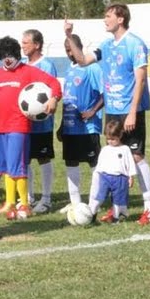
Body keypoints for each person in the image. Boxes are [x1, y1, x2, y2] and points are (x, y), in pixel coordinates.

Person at [64, 3, 150, 225]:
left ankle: (149, 208)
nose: (105, 20)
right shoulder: (106, 45)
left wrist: (133, 111)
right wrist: (68, 36)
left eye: (108, 16)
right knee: (115, 157)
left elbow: (140, 79)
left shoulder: (135, 44)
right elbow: (83, 60)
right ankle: (120, 210)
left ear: (121, 18)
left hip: (129, 109)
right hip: (112, 109)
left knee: (136, 157)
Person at [0, 36, 62, 220]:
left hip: (19, 127)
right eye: (3, 56)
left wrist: (54, 98)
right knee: (7, 167)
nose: (7, 59)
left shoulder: (28, 72)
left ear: (17, 54)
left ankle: (24, 204)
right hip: (1, 129)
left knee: (18, 167)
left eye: (10, 55)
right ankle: (10, 202)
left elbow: (54, 83)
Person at [58, 34, 103, 211]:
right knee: (71, 162)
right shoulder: (69, 70)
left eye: (72, 49)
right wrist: (62, 125)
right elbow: (68, 100)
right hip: (70, 128)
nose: (70, 53)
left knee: (94, 163)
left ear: (80, 47)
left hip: (88, 127)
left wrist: (93, 111)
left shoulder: (93, 68)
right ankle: (75, 202)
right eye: (67, 50)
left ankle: (95, 202)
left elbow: (105, 93)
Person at [21, 29, 58, 213]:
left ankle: (46, 198)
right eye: (22, 42)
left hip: (42, 124)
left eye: (26, 42)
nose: (23, 45)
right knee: (25, 160)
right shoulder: (22, 65)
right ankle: (28, 197)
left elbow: (53, 91)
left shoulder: (47, 65)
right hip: (25, 124)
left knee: (43, 158)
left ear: (36, 44)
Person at [87, 120, 136, 223]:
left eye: (113, 139)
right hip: (105, 177)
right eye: (108, 139)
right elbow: (99, 164)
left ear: (120, 135)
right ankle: (92, 215)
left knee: (118, 200)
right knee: (99, 197)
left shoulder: (125, 149)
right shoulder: (105, 149)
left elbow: (130, 164)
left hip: (120, 179)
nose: (110, 141)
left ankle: (116, 217)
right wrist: (97, 175)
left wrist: (131, 176)